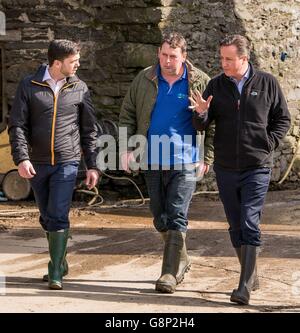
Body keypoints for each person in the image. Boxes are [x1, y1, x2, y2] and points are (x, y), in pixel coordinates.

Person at [191, 34, 291, 305]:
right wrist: (200, 113)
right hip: (225, 166)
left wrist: (268, 143)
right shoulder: (216, 84)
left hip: (257, 166)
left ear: (244, 58)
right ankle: (251, 274)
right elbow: (202, 125)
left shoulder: (267, 82)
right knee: (235, 224)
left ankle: (244, 286)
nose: (223, 63)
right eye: (221, 58)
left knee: (250, 219)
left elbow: (283, 118)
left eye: (229, 59)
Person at [119, 32, 214, 293]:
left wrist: (206, 157)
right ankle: (181, 258)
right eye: (163, 55)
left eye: (173, 56)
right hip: (151, 158)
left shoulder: (199, 82)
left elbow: (212, 124)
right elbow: (127, 113)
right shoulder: (145, 78)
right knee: (159, 217)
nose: (167, 60)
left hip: (185, 160)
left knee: (176, 214)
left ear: (184, 56)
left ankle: (169, 273)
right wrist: (128, 148)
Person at [8, 40, 100, 290]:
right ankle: (61, 260)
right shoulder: (29, 85)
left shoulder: (80, 87)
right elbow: (17, 125)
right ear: (57, 63)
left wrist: (92, 165)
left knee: (58, 214)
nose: (78, 64)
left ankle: (54, 271)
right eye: (73, 61)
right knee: (47, 216)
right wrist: (22, 158)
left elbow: (89, 129)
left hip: (67, 162)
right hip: (36, 163)